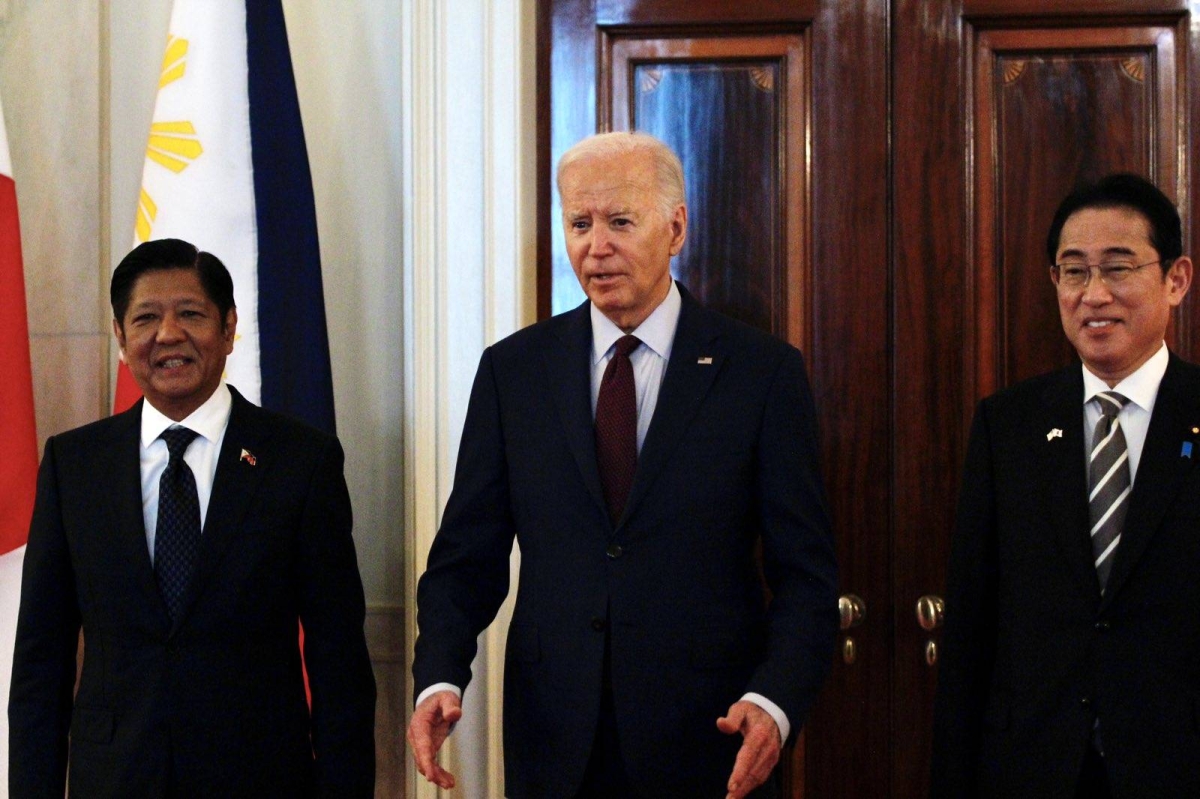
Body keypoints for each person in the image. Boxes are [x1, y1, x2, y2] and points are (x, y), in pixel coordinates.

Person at [408, 132, 838, 798]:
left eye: (619, 221)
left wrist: (776, 700)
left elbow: (806, 577)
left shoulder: (761, 374)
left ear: (675, 228)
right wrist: (439, 675)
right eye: (579, 222)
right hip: (554, 743)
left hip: (710, 741)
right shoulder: (513, 373)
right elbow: (466, 558)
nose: (595, 245)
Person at [8, 239, 376, 797]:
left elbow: (339, 661)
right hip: (114, 777)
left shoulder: (301, 462)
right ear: (120, 336)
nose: (168, 334)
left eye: (191, 315)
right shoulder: (74, 465)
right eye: (146, 318)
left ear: (228, 329)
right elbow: (41, 662)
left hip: (259, 778)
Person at [931, 173, 1198, 798]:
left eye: (1118, 268)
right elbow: (972, 633)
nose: (1094, 294)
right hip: (1033, 767)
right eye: (1074, 271)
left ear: (1176, 279)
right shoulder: (1009, 426)